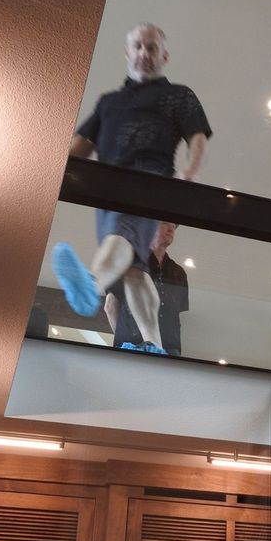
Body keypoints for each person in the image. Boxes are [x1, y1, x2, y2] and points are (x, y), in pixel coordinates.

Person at [52, 22, 211, 354]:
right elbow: (80, 146)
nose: (144, 53)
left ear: (164, 55)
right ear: (127, 52)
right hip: (107, 192)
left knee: (121, 238)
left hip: (147, 183)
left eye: (151, 47)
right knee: (134, 272)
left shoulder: (178, 95)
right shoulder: (109, 102)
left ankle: (91, 284)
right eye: (137, 46)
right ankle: (153, 342)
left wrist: (189, 172)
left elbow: (197, 135)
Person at [104, 221, 188, 356]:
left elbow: (175, 316)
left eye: (174, 226)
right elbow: (110, 306)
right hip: (135, 346)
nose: (171, 228)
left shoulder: (178, 273)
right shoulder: (129, 261)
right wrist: (124, 341)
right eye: (166, 223)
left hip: (168, 350)